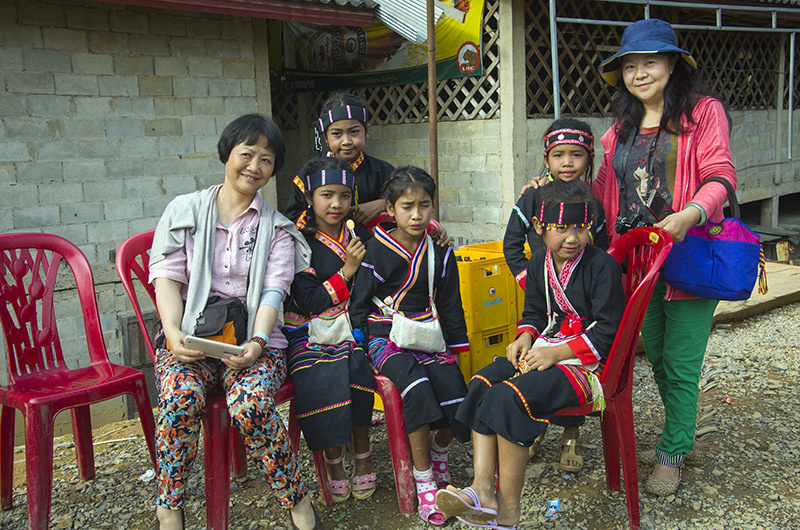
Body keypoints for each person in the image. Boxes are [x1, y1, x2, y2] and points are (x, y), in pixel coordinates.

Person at [148, 114, 322, 530]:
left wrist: (258, 343)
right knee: (179, 400)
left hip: (253, 344)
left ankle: (295, 498)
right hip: (190, 338)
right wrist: (172, 335)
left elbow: (272, 293)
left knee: (251, 404)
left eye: (266, 159)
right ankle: (170, 503)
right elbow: (167, 279)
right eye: (247, 154)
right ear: (228, 153)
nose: (254, 166)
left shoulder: (277, 229)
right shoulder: (185, 210)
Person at [594, 18, 736, 496]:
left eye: (649, 62)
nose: (639, 73)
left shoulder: (703, 114)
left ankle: (673, 450)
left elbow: (721, 175)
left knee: (679, 361)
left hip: (690, 256)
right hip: (636, 266)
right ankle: (684, 423)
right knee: (652, 352)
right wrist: (553, 192)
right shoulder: (619, 130)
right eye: (630, 65)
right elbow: (600, 191)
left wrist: (690, 212)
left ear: (673, 64)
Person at [436, 180, 626, 530]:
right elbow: (536, 312)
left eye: (581, 228)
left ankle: (508, 510)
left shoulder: (603, 267)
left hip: (589, 367)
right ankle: (482, 489)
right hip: (549, 349)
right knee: (482, 381)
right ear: (539, 228)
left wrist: (556, 353)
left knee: (510, 398)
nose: (573, 238)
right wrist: (525, 335)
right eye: (561, 228)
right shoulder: (539, 261)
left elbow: (609, 330)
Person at [349, 167, 471, 526]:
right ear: (390, 209)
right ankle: (424, 481)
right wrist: (360, 344)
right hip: (385, 336)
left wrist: (456, 349)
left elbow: (449, 304)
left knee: (456, 390)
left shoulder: (442, 254)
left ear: (433, 207)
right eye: (407, 207)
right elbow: (360, 300)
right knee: (415, 388)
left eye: (425, 205)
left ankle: (439, 450)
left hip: (428, 335)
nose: (416, 215)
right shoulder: (376, 249)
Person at [502, 119, 608, 474]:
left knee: (563, 362)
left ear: (588, 158)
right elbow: (511, 243)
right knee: (531, 361)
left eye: (576, 155)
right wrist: (531, 281)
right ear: (546, 159)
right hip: (544, 302)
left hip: (582, 306)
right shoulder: (532, 195)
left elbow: (604, 243)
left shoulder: (592, 198)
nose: (567, 163)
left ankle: (571, 435)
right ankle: (534, 424)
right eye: (558, 155)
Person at [283, 156, 376, 504]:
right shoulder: (298, 241)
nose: (336, 204)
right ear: (309, 197)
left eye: (344, 196)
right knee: (318, 371)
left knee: (356, 364)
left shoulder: (361, 236)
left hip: (351, 327)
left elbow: (370, 292)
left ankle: (362, 451)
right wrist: (348, 269)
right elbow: (307, 300)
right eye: (326, 195)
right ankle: (333, 460)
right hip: (306, 331)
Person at [284, 92, 395, 229]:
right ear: (325, 137)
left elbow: (408, 201)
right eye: (337, 134)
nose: (346, 141)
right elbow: (292, 217)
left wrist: (383, 204)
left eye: (354, 132)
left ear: (367, 131)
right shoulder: (312, 172)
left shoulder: (383, 171)